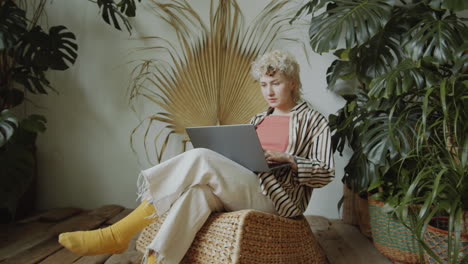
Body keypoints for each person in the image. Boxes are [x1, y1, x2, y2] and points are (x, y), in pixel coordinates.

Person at [58, 50, 335, 264]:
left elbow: (325, 172)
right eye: (263, 84)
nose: (269, 91)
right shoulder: (258, 119)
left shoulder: (314, 121)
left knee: (200, 156)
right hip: (248, 186)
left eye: (276, 83)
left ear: (293, 83)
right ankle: (157, 260)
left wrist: (288, 157)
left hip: (278, 200)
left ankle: (119, 234)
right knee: (197, 194)